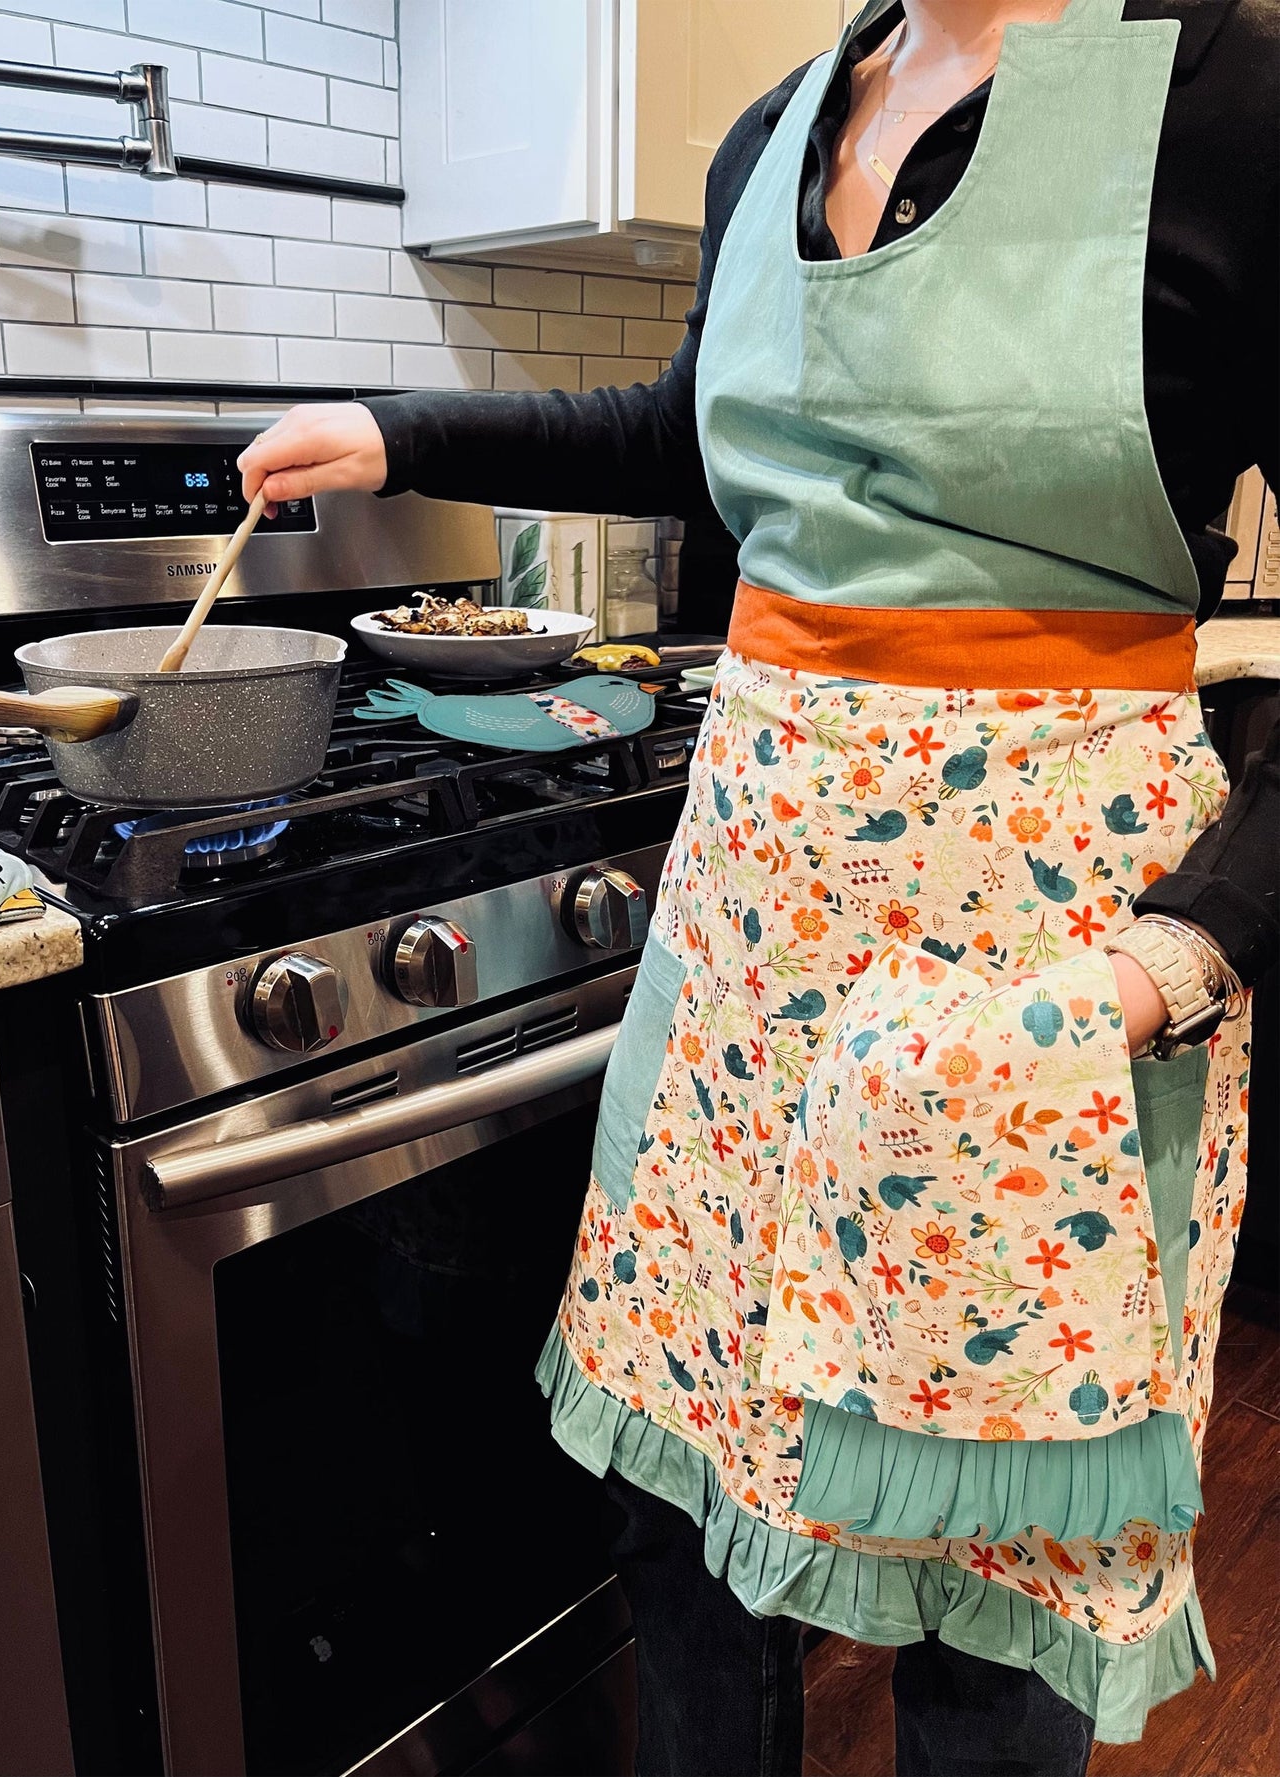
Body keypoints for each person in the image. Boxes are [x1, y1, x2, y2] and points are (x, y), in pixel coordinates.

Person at [239, 0, 1278, 1769]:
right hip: (740, 963)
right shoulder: (776, 130)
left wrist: (1184, 946)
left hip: (1032, 988)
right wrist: (399, 434)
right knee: (692, 1520)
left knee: (987, 1561)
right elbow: (684, 427)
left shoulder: (1237, 104)